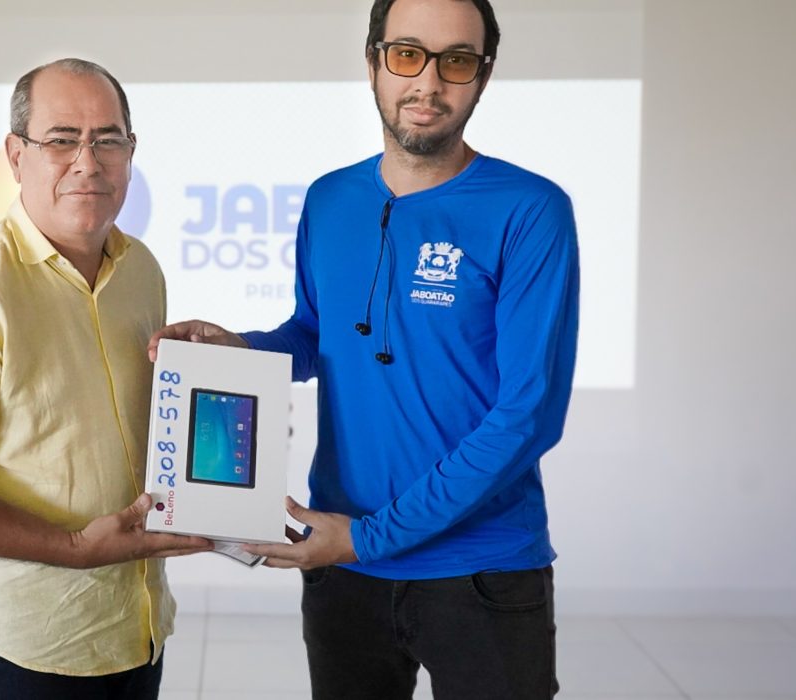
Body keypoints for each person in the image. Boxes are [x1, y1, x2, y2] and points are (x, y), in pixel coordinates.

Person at [148, 0, 578, 697]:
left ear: (484, 74)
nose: (427, 83)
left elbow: (529, 415)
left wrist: (368, 537)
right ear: (374, 60)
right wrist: (238, 350)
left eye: (456, 61)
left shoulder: (530, 210)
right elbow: (314, 335)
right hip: (344, 566)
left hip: (481, 569)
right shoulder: (330, 199)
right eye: (407, 54)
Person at [0, 58, 212, 700]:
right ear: (16, 155)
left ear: (130, 152)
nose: (88, 162)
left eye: (107, 139)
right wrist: (74, 546)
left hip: (136, 625)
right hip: (26, 645)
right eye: (62, 139)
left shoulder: (141, 268)